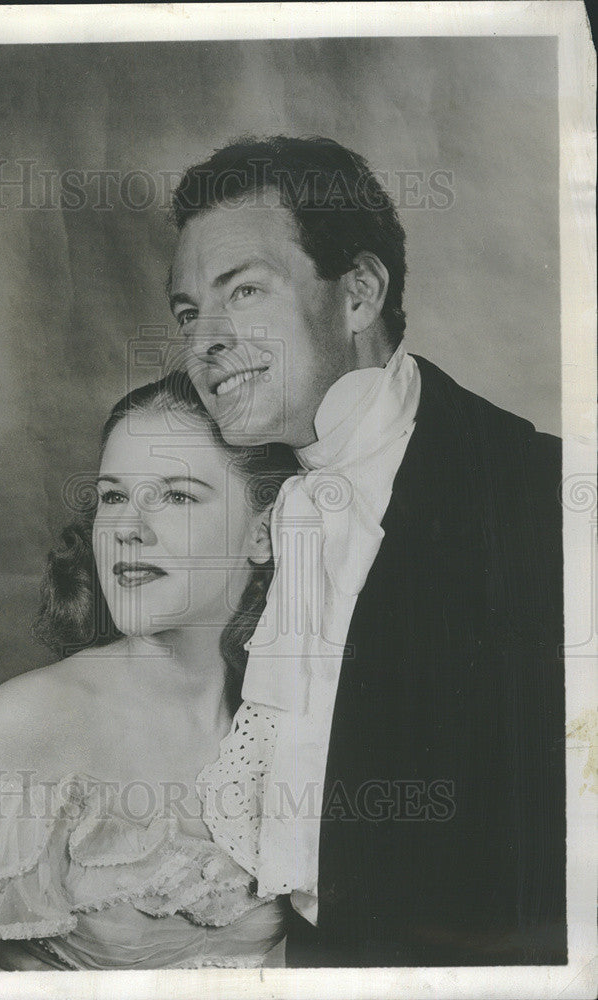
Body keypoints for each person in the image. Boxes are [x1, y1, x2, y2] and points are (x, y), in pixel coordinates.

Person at [167, 136, 567, 966]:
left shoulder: (545, 499)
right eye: (185, 312)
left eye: (243, 290)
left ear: (358, 293)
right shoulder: (244, 512)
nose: (203, 339)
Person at [0, 374, 298, 971]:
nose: (128, 528)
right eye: (114, 496)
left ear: (262, 533)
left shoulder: (291, 721)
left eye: (178, 496)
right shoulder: (25, 721)